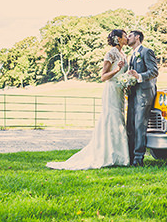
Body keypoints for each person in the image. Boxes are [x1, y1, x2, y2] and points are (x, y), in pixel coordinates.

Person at [46, 29, 131, 170]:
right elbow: (103, 76)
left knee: (119, 120)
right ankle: (107, 155)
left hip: (120, 91)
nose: (127, 38)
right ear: (118, 39)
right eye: (125, 36)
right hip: (111, 90)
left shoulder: (123, 54)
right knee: (111, 118)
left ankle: (120, 156)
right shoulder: (110, 53)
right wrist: (116, 70)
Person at [126, 30, 159, 167]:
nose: (127, 39)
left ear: (137, 37)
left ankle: (138, 159)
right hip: (133, 94)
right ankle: (130, 157)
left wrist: (139, 76)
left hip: (144, 94)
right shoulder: (132, 56)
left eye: (130, 36)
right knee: (131, 127)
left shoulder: (146, 52)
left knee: (140, 126)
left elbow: (154, 71)